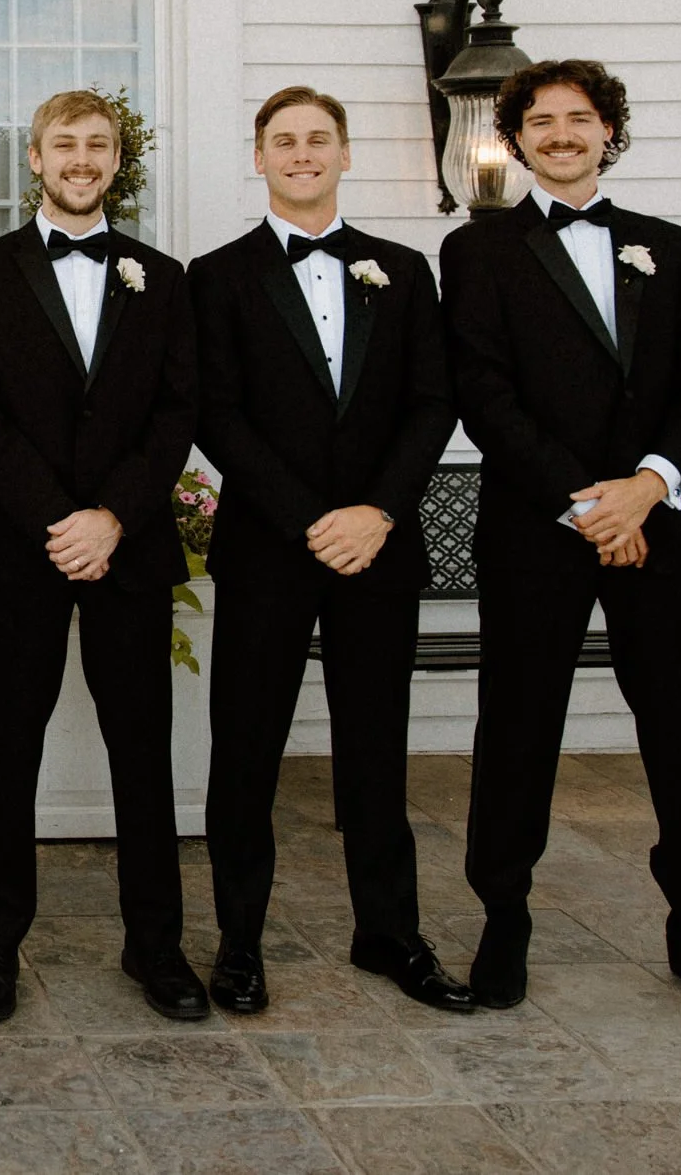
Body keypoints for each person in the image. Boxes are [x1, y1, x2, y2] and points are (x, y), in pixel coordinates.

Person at [442, 59, 681, 1027]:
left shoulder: (666, 246)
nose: (559, 133)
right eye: (540, 120)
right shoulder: (479, 251)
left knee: (678, 729)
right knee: (517, 728)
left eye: (577, 118)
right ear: (516, 136)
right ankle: (503, 915)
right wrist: (584, 504)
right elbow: (483, 389)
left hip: (658, 527)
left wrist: (645, 487)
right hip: (537, 529)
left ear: (607, 131)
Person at [189, 87, 470, 1018]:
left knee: (375, 749)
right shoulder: (216, 275)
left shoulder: (404, 267)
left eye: (318, 139)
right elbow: (217, 413)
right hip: (272, 545)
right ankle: (238, 939)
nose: (302, 153)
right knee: (247, 749)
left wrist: (379, 512)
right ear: (259, 157)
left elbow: (434, 402)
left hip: (378, 550)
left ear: (344, 153)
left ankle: (389, 930)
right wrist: (315, 516)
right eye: (283, 140)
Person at [0, 88, 200, 1023]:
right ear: (37, 161)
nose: (82, 158)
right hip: (25, 546)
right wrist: (61, 518)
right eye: (65, 144)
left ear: (115, 160)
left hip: (128, 548)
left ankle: (157, 945)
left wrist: (113, 518)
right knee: (7, 746)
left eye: (98, 144)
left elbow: (178, 411)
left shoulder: (162, 277)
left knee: (144, 750)